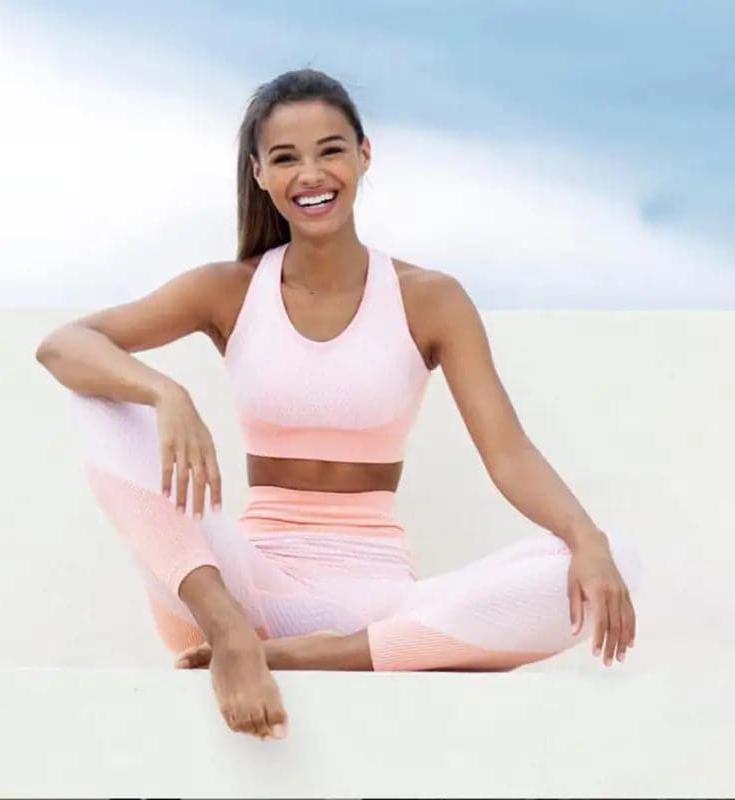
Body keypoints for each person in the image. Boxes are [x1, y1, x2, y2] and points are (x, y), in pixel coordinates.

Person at [35, 68, 643, 742]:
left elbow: (507, 452)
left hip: (375, 603)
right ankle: (238, 636)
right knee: (99, 401)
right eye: (286, 158)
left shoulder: (428, 297)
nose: (311, 174)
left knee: (616, 563)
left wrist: (586, 541)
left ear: (364, 155)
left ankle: (314, 655)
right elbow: (64, 345)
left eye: (330, 149)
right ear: (260, 174)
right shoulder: (229, 290)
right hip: (233, 588)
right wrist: (164, 392)